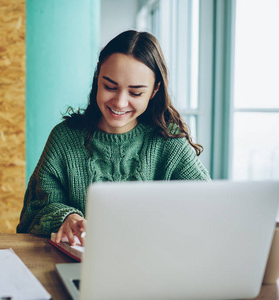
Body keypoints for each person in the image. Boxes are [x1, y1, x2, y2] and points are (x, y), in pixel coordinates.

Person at [17, 30, 210, 245]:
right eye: (109, 86)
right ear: (97, 77)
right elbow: (32, 213)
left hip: (156, 266)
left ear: (154, 91)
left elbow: (208, 207)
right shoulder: (64, 139)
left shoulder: (170, 142)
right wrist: (65, 218)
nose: (119, 102)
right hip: (75, 266)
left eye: (135, 93)